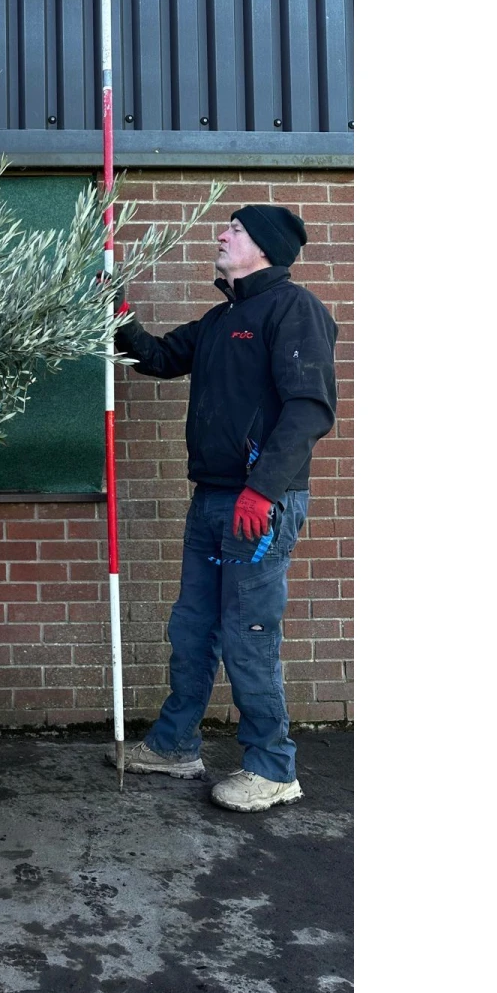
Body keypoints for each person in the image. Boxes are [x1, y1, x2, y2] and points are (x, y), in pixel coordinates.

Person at [104, 204, 338, 812]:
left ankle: (272, 767)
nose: (222, 234)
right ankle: (176, 745)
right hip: (211, 499)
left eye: (233, 229)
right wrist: (118, 311)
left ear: (263, 246)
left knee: (247, 632)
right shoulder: (218, 320)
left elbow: (309, 408)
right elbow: (155, 358)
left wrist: (262, 489)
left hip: (259, 505)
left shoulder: (295, 310)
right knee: (192, 627)